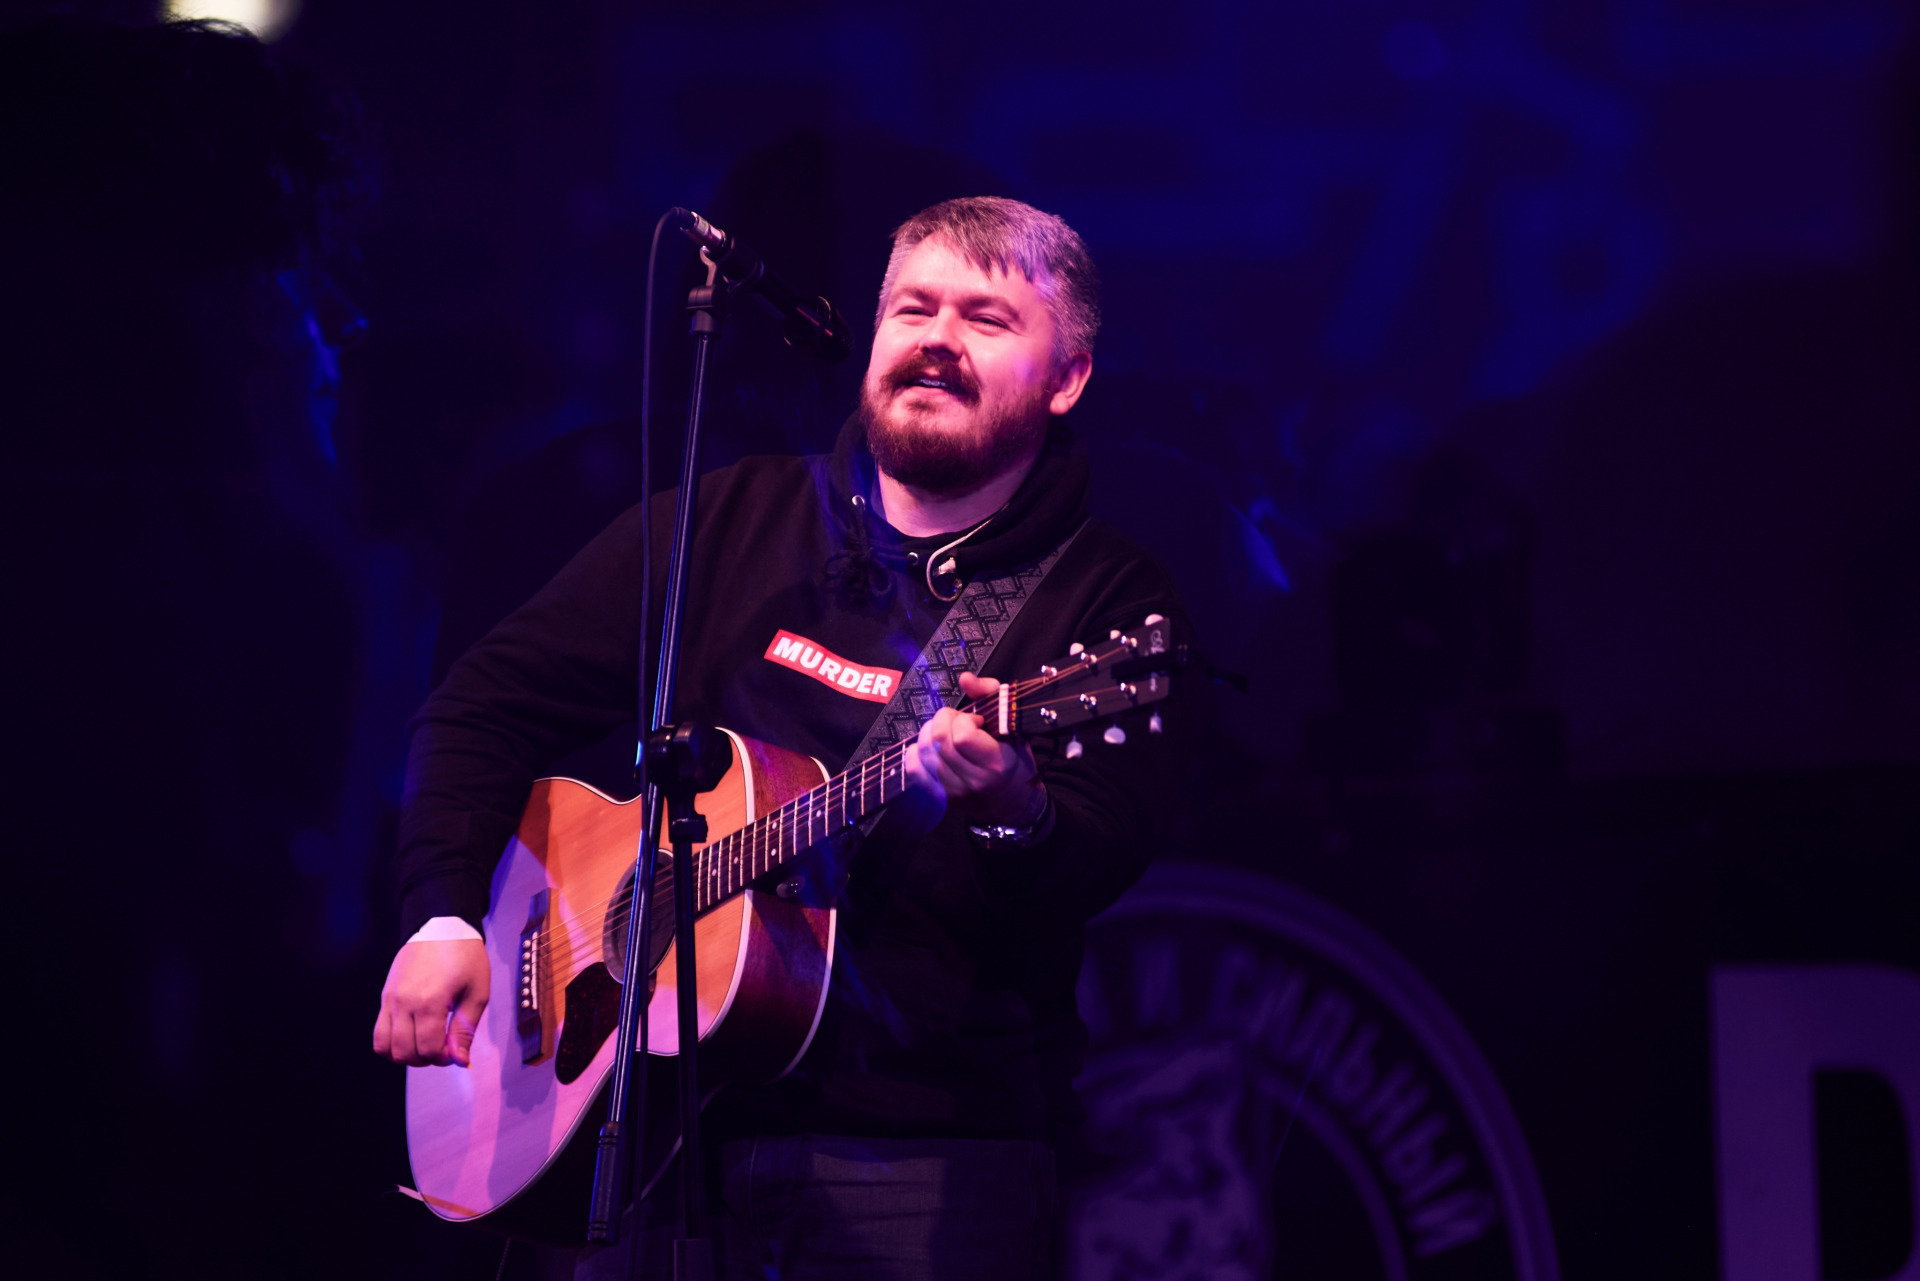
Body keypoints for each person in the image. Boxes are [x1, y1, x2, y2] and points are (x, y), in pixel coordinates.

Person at [373, 196, 1190, 1279]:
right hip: (648, 1138)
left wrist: (1014, 811)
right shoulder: (731, 518)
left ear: (1068, 377)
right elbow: (485, 702)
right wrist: (441, 914)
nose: (937, 340)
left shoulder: (1105, 605)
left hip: (922, 1160)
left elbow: (1095, 858)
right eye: (914, 308)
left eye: (986, 320)